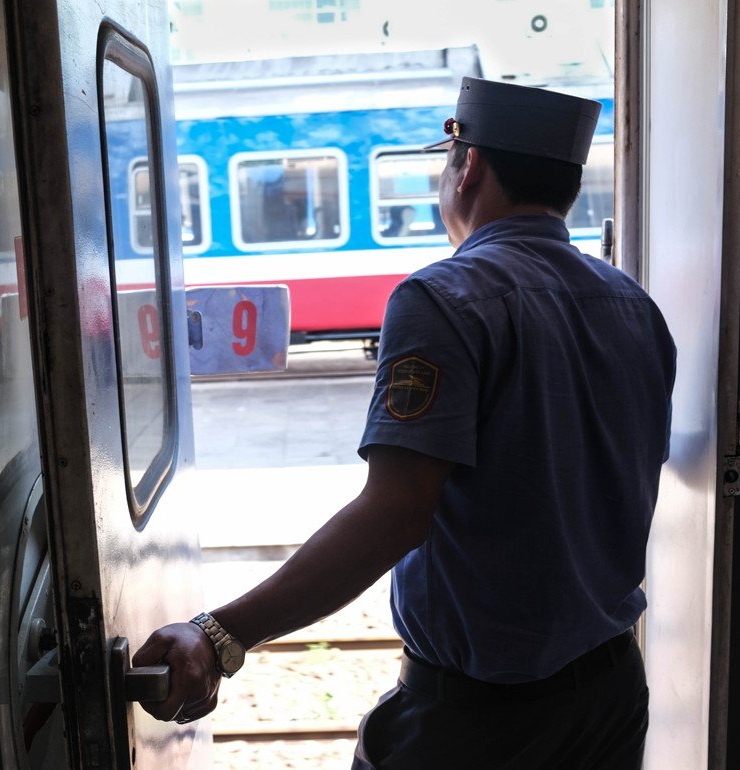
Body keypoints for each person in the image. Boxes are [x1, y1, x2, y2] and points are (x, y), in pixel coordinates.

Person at [132, 77, 677, 769]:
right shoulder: (634, 307)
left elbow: (395, 515)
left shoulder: (444, 298)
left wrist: (219, 634)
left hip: (480, 723)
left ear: (468, 164)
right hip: (610, 699)